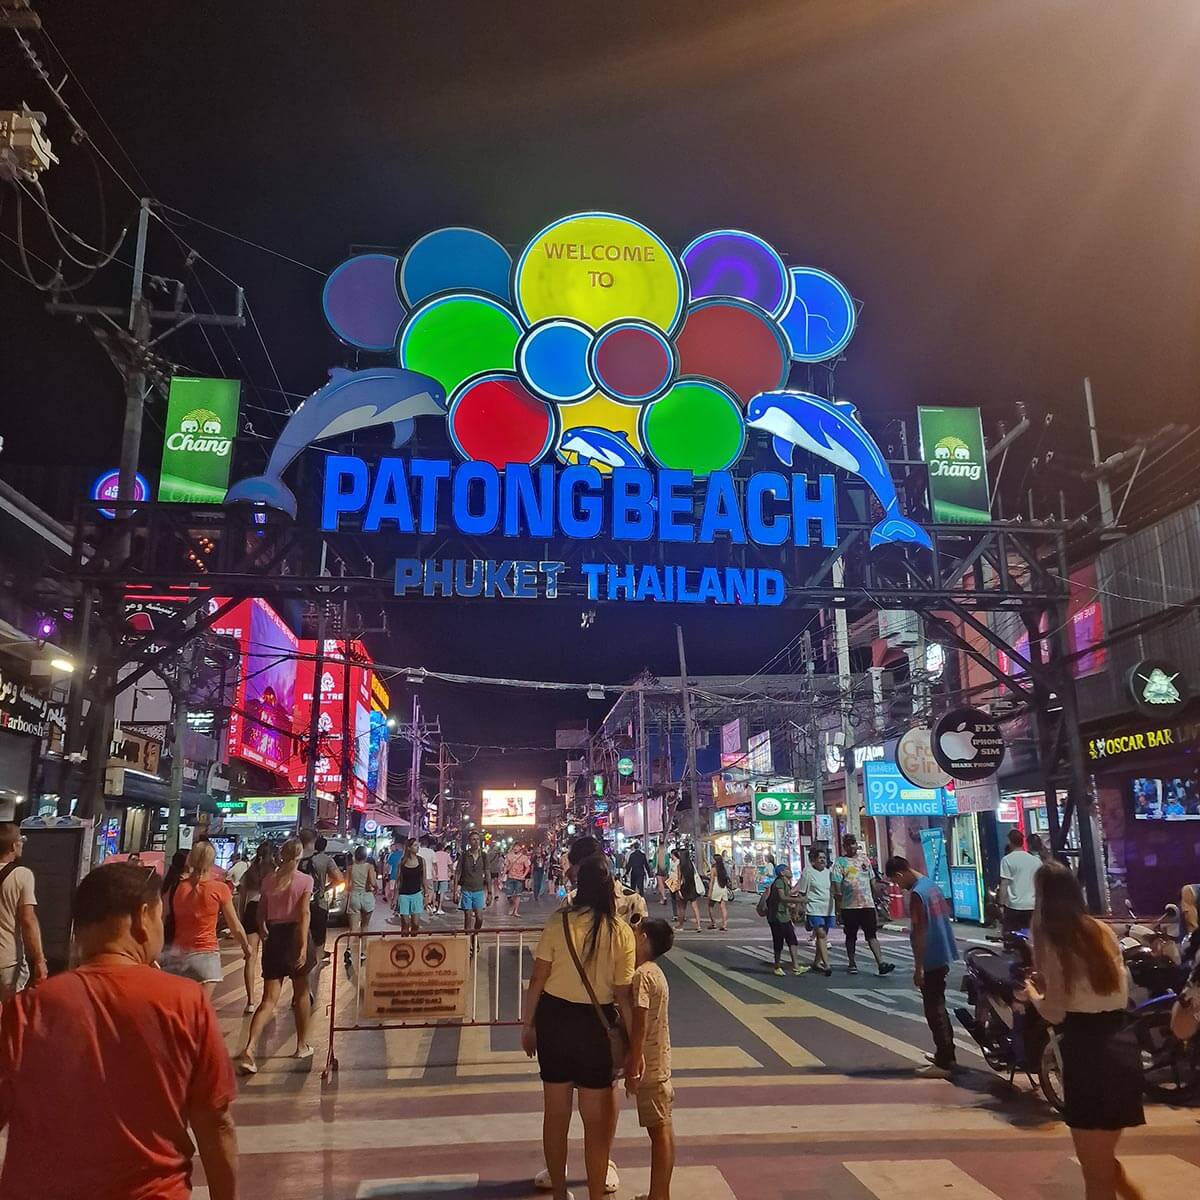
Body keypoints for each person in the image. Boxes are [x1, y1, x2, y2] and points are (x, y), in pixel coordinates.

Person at [0, 861, 238, 1200]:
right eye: (160, 916)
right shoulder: (185, 1002)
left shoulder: (29, 1008)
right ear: (143, 917)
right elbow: (216, 1124)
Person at [1014, 864, 1146, 1200]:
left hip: (1088, 1054)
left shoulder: (1050, 939)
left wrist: (1032, 994)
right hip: (1122, 1044)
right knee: (1102, 1163)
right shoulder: (1101, 930)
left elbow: (1055, 1011)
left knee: (1096, 1175)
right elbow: (1116, 988)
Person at [522, 857, 636, 1200]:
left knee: (555, 1115)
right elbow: (623, 998)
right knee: (595, 1124)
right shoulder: (621, 932)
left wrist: (527, 1025)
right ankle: (596, 1196)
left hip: (554, 1022)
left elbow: (537, 980)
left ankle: (559, 1193)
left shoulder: (558, 923)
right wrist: (637, 1050)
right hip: (595, 1027)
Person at [235, 837, 316, 1074]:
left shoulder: (269, 880)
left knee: (268, 999)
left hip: (274, 937)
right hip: (294, 935)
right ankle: (301, 1045)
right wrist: (302, 947)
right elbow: (304, 915)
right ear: (300, 856)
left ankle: (249, 1048)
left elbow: (260, 914)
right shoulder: (305, 880)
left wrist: (264, 930)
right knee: (301, 993)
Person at [885, 856, 959, 1078]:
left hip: (932, 956)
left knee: (933, 1009)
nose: (899, 887)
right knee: (939, 1006)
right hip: (944, 951)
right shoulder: (931, 886)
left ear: (900, 874)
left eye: (896, 882)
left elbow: (920, 932)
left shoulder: (918, 894)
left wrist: (918, 968)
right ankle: (945, 1053)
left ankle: (945, 1061)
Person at [163, 840, 252, 999]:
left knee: (182, 1010)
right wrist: (247, 948)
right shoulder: (220, 889)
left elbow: (164, 917)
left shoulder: (178, 887)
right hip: (206, 957)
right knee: (200, 1012)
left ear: (190, 859)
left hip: (178, 955)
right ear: (212, 861)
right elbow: (235, 926)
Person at [626, 918, 675, 1200]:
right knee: (664, 1130)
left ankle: (659, 1196)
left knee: (658, 1134)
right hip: (660, 1060)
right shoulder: (655, 972)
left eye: (634, 933)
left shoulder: (642, 975)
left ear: (643, 938)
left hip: (650, 1066)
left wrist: (633, 1065)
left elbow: (639, 1025)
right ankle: (661, 1193)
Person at [832, 835, 894, 977]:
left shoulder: (864, 859)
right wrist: (838, 909)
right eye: (848, 844)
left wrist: (876, 898)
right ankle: (852, 963)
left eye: (853, 844)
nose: (851, 847)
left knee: (871, 935)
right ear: (844, 846)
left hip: (867, 904)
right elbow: (836, 885)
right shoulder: (840, 862)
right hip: (849, 906)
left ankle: (881, 963)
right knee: (851, 936)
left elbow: (872, 880)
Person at [0, 823, 45, 1004]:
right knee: (9, 1014)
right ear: (13, 846)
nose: (22, 844)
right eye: (21, 840)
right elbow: (28, 920)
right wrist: (39, 959)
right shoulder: (22, 875)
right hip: (8, 960)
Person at [238, 842, 276, 1012]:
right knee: (269, 957)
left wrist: (240, 917)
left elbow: (242, 899)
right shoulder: (275, 872)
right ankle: (268, 998)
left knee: (250, 958)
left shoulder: (249, 872)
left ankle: (250, 1002)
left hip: (250, 911)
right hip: (268, 912)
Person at [298, 829, 343, 961]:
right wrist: (325, 888)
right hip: (318, 903)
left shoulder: (294, 857)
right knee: (318, 940)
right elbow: (339, 878)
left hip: (296, 905)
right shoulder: (325, 859)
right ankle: (316, 964)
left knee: (301, 937)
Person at [796, 848, 834, 976]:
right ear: (813, 860)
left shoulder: (829, 873)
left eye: (824, 858)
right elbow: (802, 892)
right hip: (814, 908)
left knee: (821, 937)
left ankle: (816, 962)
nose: (823, 860)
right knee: (821, 934)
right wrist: (800, 908)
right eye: (820, 858)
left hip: (828, 908)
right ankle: (827, 964)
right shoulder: (808, 872)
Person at [764, 863, 803, 975]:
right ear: (782, 873)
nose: (790, 870)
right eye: (787, 869)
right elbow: (782, 898)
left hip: (784, 917)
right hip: (777, 917)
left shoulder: (785, 883)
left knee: (792, 940)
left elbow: (788, 895)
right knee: (779, 941)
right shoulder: (779, 882)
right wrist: (799, 901)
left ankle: (795, 966)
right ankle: (777, 966)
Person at [998, 829, 1040, 933]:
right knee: (1032, 936)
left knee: (1010, 938)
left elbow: (1004, 883)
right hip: (1032, 906)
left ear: (1009, 842)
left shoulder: (1007, 860)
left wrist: (1001, 904)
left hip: (1014, 906)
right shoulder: (1036, 861)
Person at [344, 846, 377, 970]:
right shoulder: (369, 866)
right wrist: (376, 889)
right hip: (367, 896)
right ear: (365, 856)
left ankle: (349, 950)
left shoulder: (350, 868)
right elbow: (373, 883)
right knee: (365, 926)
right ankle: (363, 952)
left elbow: (347, 885)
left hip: (354, 897)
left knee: (353, 928)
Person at [456, 830, 491, 937]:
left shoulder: (484, 856)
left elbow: (488, 873)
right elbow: (457, 873)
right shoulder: (464, 855)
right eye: (473, 839)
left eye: (477, 839)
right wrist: (454, 891)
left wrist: (490, 892)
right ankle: (468, 942)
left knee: (479, 918)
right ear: (469, 842)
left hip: (479, 890)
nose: (475, 842)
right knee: (468, 917)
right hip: (466, 889)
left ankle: (474, 936)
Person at [392, 838, 426, 935]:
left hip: (416, 894)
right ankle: (405, 945)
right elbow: (398, 881)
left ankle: (413, 943)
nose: (417, 847)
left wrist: (427, 894)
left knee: (415, 924)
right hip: (404, 895)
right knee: (405, 923)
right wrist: (395, 898)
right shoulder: (402, 862)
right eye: (415, 846)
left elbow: (423, 879)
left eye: (418, 845)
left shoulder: (421, 861)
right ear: (409, 848)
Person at [672, 849, 702, 932]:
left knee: (682, 908)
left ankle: (680, 925)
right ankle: (699, 925)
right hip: (692, 887)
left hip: (683, 888)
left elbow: (679, 879)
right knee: (695, 908)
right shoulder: (691, 864)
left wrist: (678, 890)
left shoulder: (680, 866)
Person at [506, 841, 532, 917]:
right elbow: (506, 867)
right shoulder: (509, 856)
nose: (515, 848)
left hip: (519, 878)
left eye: (517, 847)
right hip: (510, 877)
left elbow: (527, 867)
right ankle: (512, 904)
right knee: (508, 894)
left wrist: (524, 875)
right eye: (514, 847)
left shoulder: (524, 857)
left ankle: (516, 911)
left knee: (518, 895)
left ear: (520, 848)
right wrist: (503, 875)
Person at [707, 852, 731, 931]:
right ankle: (724, 925)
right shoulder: (723, 869)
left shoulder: (713, 869)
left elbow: (712, 882)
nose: (711, 860)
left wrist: (709, 892)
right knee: (723, 907)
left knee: (710, 906)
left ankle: (713, 923)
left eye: (712, 859)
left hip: (716, 888)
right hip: (723, 888)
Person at [431, 841, 453, 914]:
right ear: (443, 848)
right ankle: (439, 908)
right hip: (444, 876)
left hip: (435, 876)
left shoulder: (434, 854)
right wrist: (451, 871)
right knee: (442, 892)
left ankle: (434, 907)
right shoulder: (446, 855)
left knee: (434, 892)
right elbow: (450, 865)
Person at [417, 837, 437, 908]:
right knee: (430, 890)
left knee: (420, 890)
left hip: (418, 875)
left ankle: (420, 904)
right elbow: (434, 864)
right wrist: (435, 874)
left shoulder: (417, 851)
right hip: (429, 875)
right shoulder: (431, 852)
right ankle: (428, 903)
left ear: (420, 843)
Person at [385, 837, 404, 905]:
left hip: (393, 874)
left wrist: (386, 874)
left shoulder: (393, 855)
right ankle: (400, 903)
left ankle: (394, 903)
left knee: (393, 890)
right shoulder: (405, 855)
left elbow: (388, 866)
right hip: (403, 875)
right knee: (401, 890)